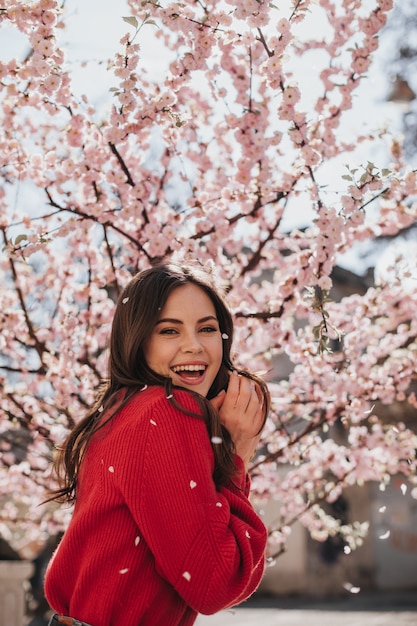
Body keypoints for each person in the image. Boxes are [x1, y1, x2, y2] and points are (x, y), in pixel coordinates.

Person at [44, 261, 271, 626]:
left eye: (207, 328)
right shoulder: (166, 411)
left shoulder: (118, 411)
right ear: (138, 339)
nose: (193, 346)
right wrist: (238, 457)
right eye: (169, 331)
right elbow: (215, 583)